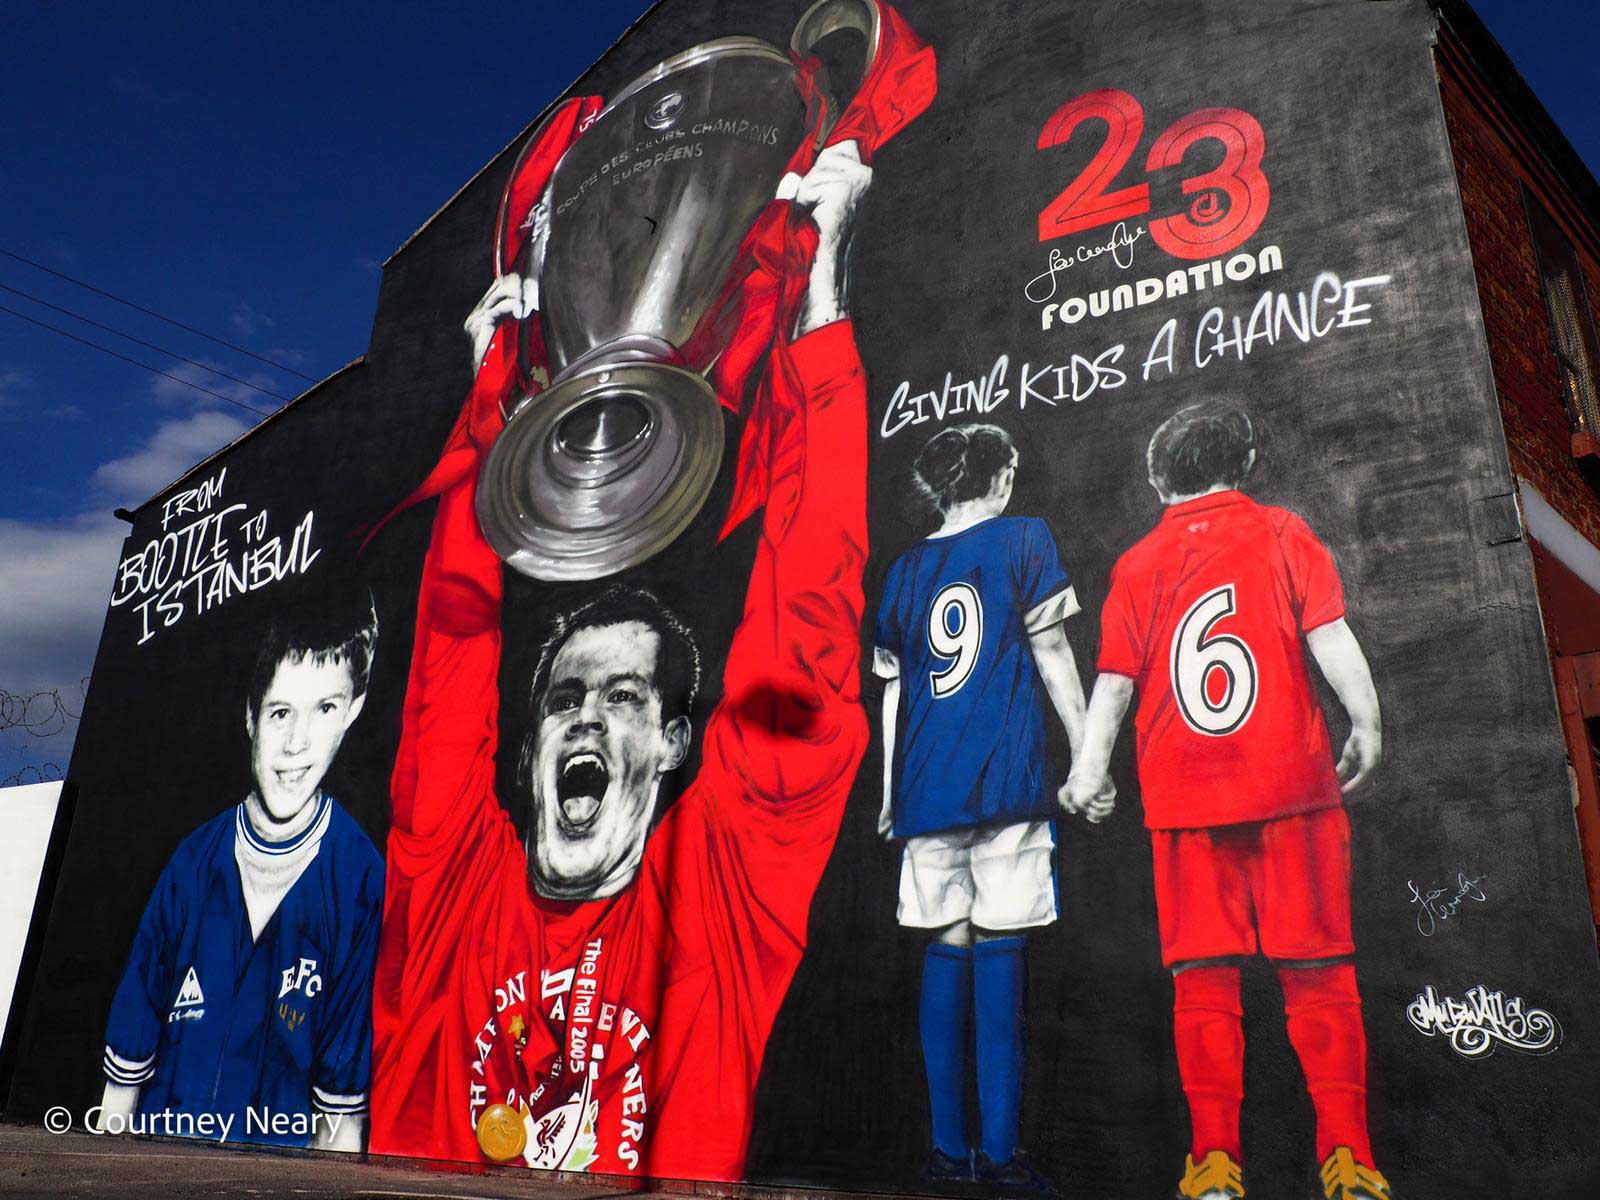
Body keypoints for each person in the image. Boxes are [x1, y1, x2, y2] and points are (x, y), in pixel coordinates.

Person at [369, 141, 875, 1182]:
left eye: (626, 695)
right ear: (529, 747)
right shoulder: (454, 894)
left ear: (675, 741)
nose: (589, 716)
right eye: (565, 697)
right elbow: (449, 661)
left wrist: (820, 295)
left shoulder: (722, 903)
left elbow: (808, 624)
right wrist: (490, 411)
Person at [1063, 401, 1391, 1200]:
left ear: (1157, 481)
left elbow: (1114, 684)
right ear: (1245, 465)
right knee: (1319, 974)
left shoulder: (1137, 564)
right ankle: (1349, 1159)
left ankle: (1214, 1162)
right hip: (1293, 789)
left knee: (1203, 980)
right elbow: (1329, 636)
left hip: (1184, 804)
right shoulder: (1283, 532)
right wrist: (1366, 721)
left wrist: (1089, 770)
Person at [873, 422, 1096, 1191]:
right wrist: (1087, 753)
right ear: (1001, 479)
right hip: (1007, 781)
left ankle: (947, 1152)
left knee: (949, 943)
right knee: (1002, 950)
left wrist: (889, 794)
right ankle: (1000, 1158)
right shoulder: (1025, 538)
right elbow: (1052, 650)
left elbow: (896, 692)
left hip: (926, 789)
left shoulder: (905, 569)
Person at [98, 593, 383, 1152]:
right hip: (159, 1163)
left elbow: (341, 1121)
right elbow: (121, 1085)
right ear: (250, 716)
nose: (297, 743)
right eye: (280, 712)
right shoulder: (192, 864)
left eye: (325, 709)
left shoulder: (358, 880)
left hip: (269, 1177)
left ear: (353, 710)